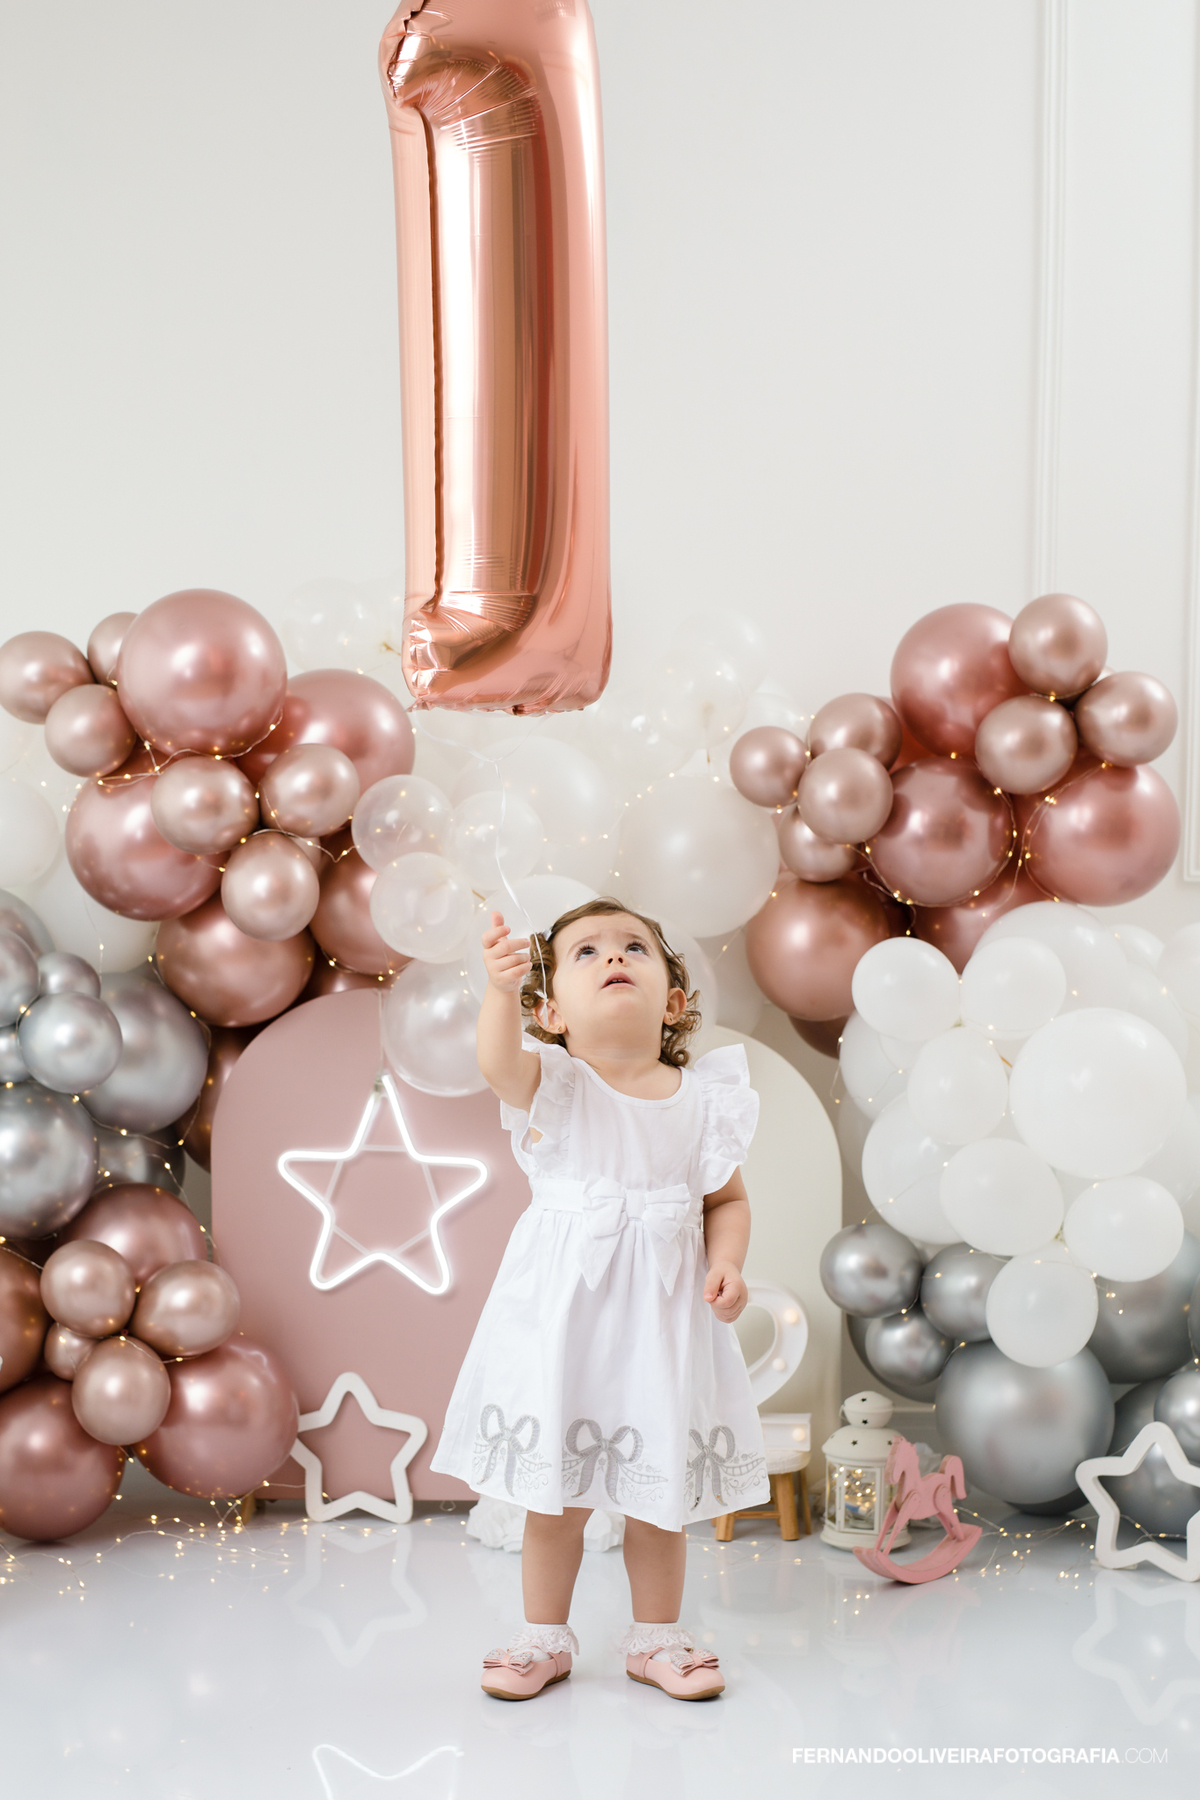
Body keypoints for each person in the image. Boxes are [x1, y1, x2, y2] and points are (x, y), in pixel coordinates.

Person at [430, 897, 769, 1701]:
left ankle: (655, 1637)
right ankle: (542, 1637)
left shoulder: (702, 1100)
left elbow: (728, 1202)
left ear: (675, 1003)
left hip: (663, 1320)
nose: (612, 957)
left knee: (660, 1497)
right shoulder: (557, 1084)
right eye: (584, 953)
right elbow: (496, 1065)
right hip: (569, 1323)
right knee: (560, 1494)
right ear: (550, 1012)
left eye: (633, 948)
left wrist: (728, 1264)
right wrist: (496, 993)